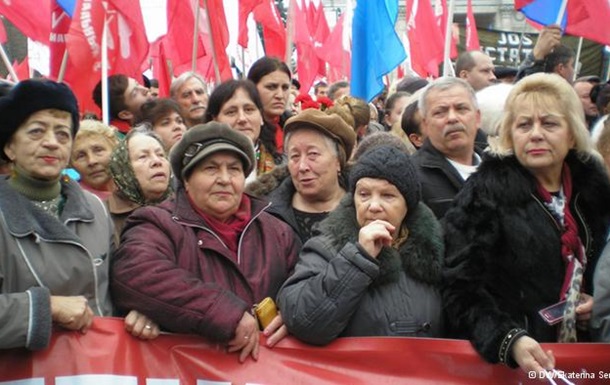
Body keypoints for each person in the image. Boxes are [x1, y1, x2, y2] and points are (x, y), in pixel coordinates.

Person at [443, 73, 610, 375]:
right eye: (524, 125)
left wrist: (597, 303)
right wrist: (509, 340)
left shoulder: (595, 191)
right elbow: (460, 290)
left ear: (572, 133)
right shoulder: (485, 194)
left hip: (589, 359)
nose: (535, 134)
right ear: (510, 134)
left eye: (549, 123)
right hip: (517, 366)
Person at [111, 122, 301, 363]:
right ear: (187, 180)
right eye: (210, 169)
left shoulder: (277, 230)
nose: (224, 179)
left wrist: (291, 314)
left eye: (233, 169)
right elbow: (135, 271)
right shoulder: (157, 222)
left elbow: (300, 285)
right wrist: (224, 312)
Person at [0, 79, 158, 350]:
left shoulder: (95, 208)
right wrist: (43, 308)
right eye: (37, 132)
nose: (51, 143)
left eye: (63, 134)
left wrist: (141, 310)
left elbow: (116, 288)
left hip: (98, 367)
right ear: (9, 147)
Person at [277, 145, 444, 345]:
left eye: (388, 195)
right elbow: (303, 320)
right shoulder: (326, 245)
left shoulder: (435, 248)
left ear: (408, 204)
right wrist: (358, 258)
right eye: (364, 194)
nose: (373, 206)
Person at [247, 109, 356, 243]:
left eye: (313, 154)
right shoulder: (264, 212)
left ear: (338, 160)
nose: (302, 166)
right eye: (295, 156)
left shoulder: (362, 208)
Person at [411, 77, 483, 219]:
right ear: (425, 125)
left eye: (461, 109)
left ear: (478, 118)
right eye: (440, 112)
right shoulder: (411, 176)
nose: (452, 118)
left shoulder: (502, 170)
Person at [204, 80, 283, 184]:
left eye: (249, 110)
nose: (242, 118)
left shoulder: (283, 168)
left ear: (261, 117)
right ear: (214, 120)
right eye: (231, 112)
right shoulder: (198, 168)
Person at [107, 128, 172, 245]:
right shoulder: (104, 215)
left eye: (161, 155)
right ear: (124, 169)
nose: (157, 161)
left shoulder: (184, 209)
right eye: (143, 156)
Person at [247, 57, 292, 152]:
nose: (280, 95)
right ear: (252, 88)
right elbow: (255, 161)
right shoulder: (245, 129)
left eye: (285, 88)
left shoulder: (294, 127)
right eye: (271, 87)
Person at [71, 119, 119, 200]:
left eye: (98, 150)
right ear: (70, 164)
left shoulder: (138, 189)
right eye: (81, 156)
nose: (91, 161)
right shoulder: (73, 200)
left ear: (115, 149)